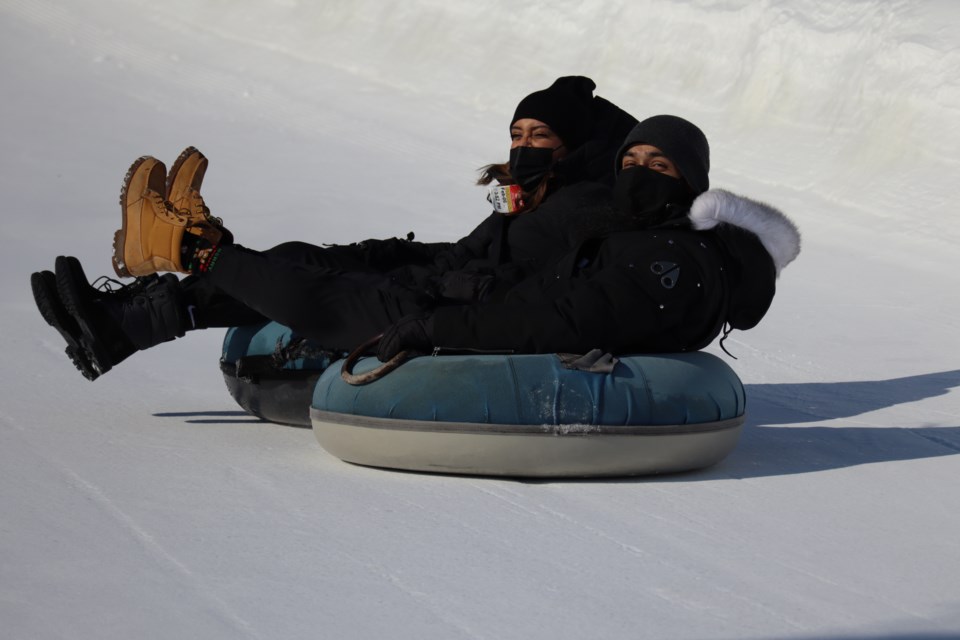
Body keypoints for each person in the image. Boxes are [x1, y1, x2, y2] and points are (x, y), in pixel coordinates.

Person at [32, 77, 639, 380]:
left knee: (317, 289)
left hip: (456, 317)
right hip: (443, 288)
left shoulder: (584, 205)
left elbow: (527, 285)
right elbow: (465, 251)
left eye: (540, 136)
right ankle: (119, 323)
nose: (524, 146)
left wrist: (434, 282)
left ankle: (189, 250)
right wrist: (377, 251)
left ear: (574, 143)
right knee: (307, 256)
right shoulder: (534, 197)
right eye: (517, 134)